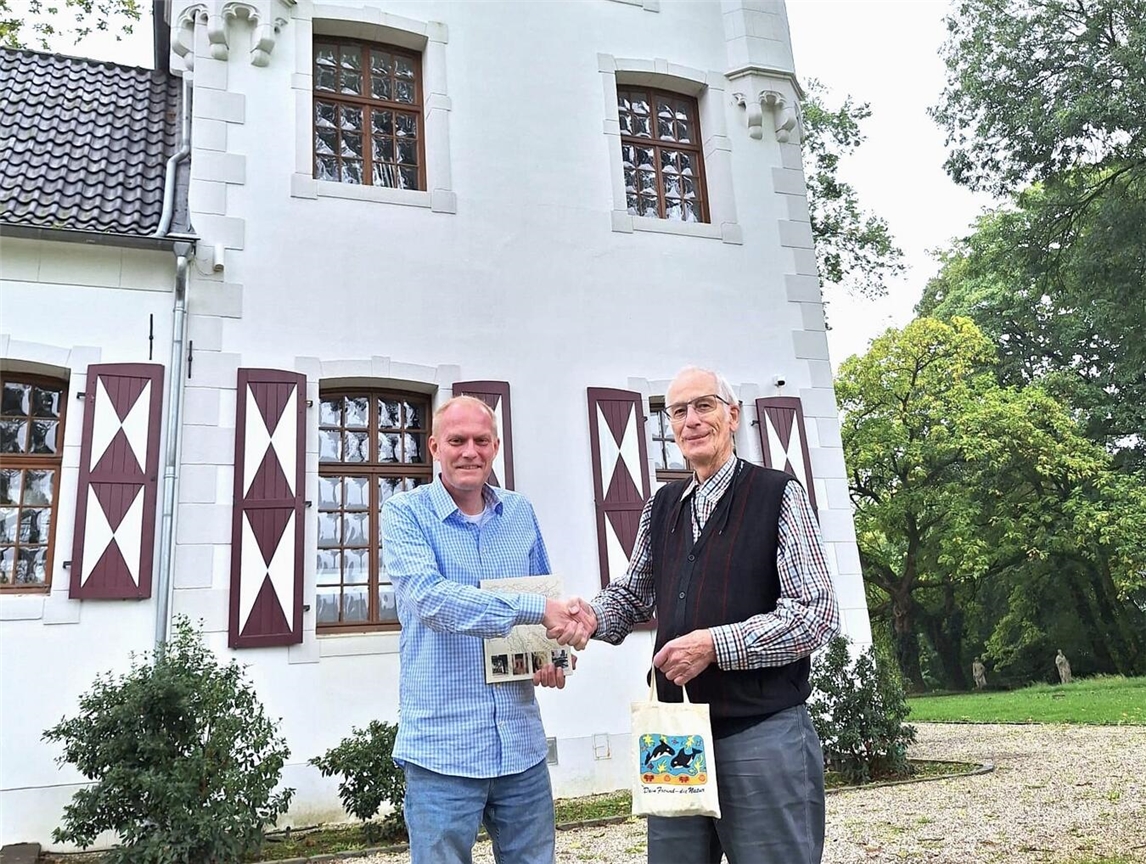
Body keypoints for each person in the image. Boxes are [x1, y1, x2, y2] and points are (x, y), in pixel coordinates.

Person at [556, 366, 841, 863]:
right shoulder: (661, 505)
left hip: (761, 731)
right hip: (673, 738)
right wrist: (591, 617)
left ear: (732, 415)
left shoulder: (778, 494)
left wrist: (714, 645)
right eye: (678, 411)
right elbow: (633, 594)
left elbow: (816, 613)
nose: (690, 421)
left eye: (704, 406)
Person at [381, 395, 585, 864]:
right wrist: (537, 610)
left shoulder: (520, 512)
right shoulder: (404, 513)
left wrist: (552, 657)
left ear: (495, 446)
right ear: (435, 447)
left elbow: (542, 600)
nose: (469, 451)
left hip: (521, 747)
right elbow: (432, 601)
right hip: (442, 752)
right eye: (457, 441)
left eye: (481, 440)